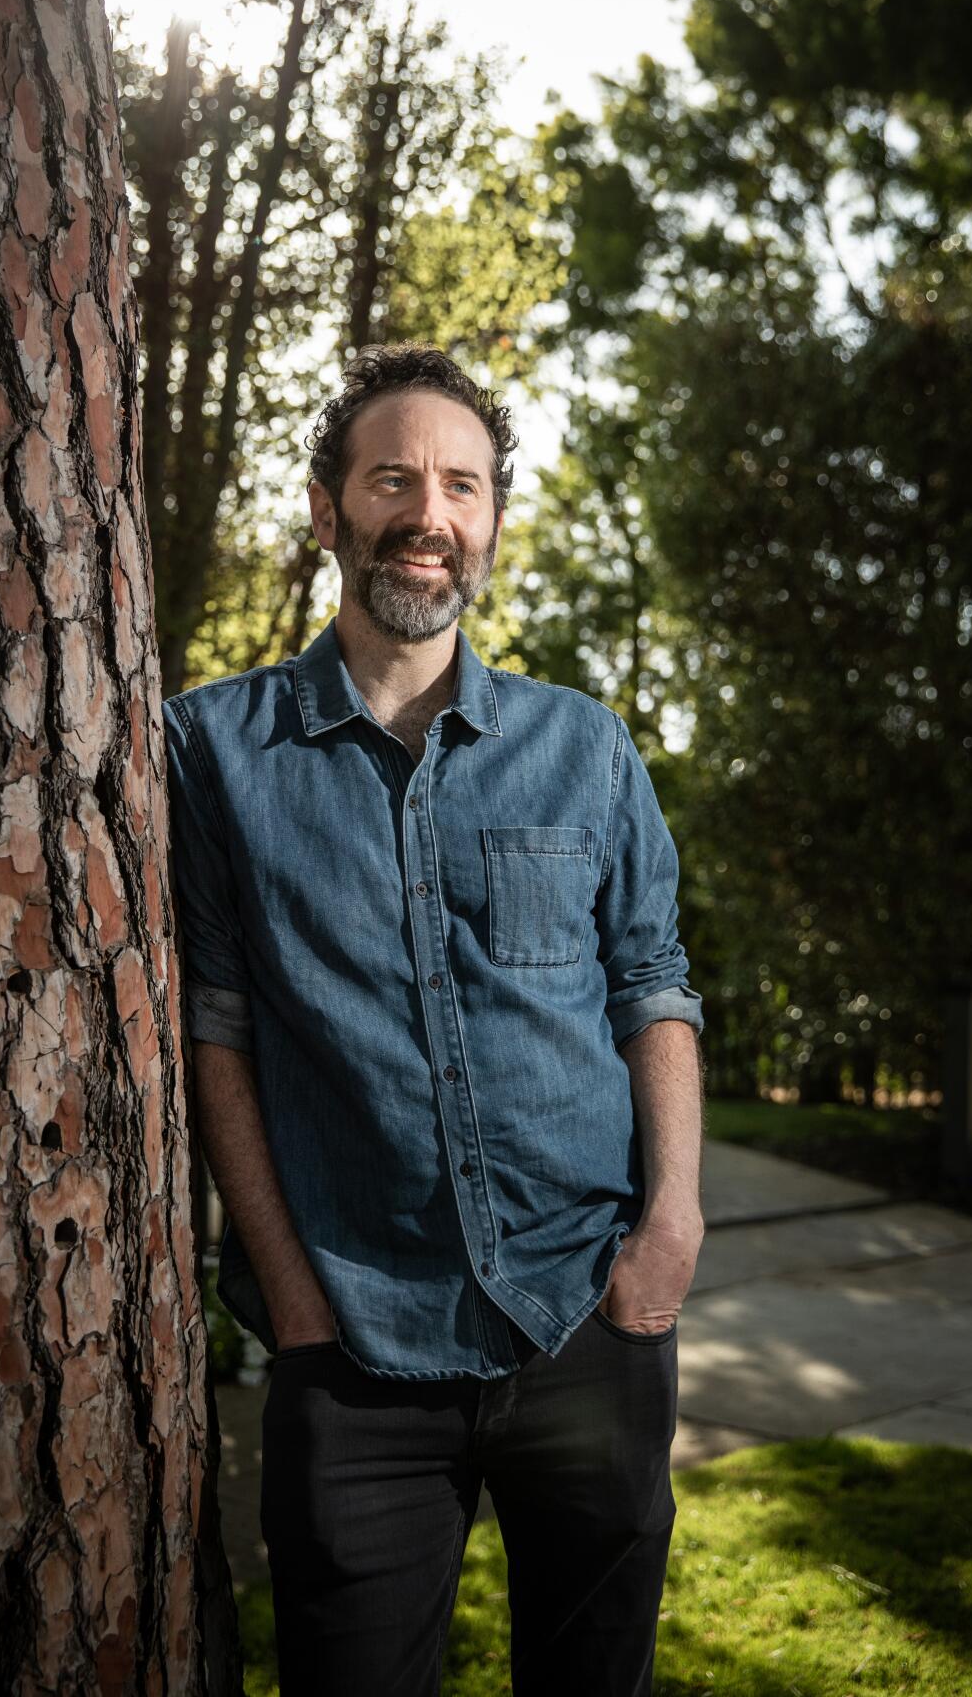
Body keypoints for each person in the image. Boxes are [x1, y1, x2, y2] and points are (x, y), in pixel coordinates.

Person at [161, 342, 706, 1697]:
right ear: (328, 505)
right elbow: (212, 1030)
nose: (429, 513)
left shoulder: (587, 747)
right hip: (353, 1351)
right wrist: (291, 1296)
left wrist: (672, 1230)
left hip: (589, 1317)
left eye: (462, 485)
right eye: (393, 477)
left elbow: (652, 985)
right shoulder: (209, 752)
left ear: (494, 520)